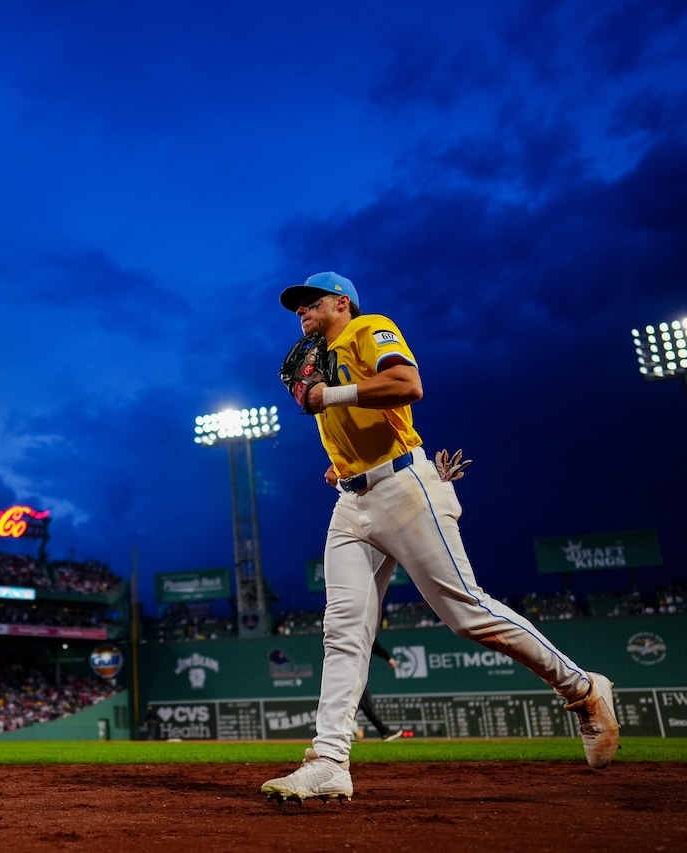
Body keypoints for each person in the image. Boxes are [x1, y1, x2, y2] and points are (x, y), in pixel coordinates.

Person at [261, 272, 619, 803]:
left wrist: (330, 394)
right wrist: (341, 465)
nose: (302, 312)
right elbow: (353, 424)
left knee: (468, 614)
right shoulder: (324, 358)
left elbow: (409, 386)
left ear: (342, 302)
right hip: (352, 502)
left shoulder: (369, 329)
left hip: (402, 489)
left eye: (311, 303)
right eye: (297, 308)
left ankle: (584, 688)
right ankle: (330, 760)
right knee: (343, 632)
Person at [355, 639, 402, 742]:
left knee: (359, 707)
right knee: (360, 706)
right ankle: (384, 732)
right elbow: (373, 642)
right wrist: (388, 657)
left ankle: (384, 732)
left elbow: (373, 643)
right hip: (352, 675)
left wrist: (387, 657)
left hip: (354, 675)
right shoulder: (362, 629)